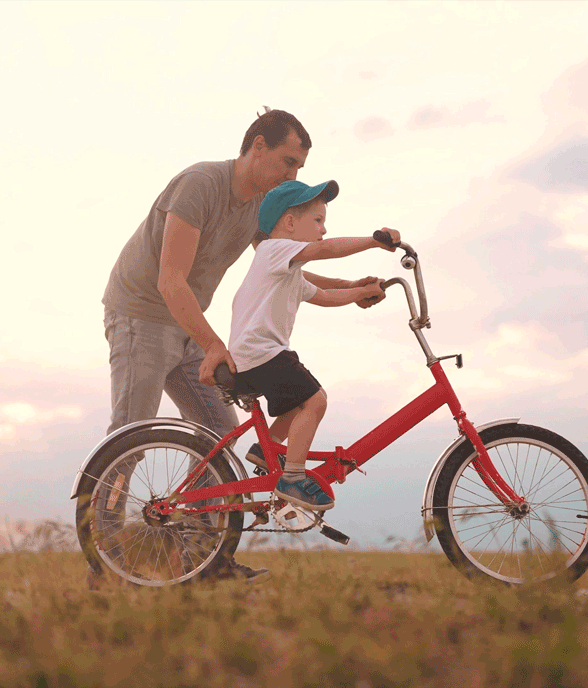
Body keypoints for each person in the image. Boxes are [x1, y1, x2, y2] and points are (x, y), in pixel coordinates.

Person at [101, 110, 386, 580]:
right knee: (127, 440)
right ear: (257, 147)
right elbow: (170, 281)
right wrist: (214, 346)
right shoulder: (200, 185)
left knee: (222, 443)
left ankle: (207, 561)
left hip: (189, 324)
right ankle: (104, 556)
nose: (293, 175)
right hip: (141, 316)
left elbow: (287, 265)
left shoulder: (259, 208)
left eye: (299, 167)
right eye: (288, 162)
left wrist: (351, 286)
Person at [228, 179, 399, 510]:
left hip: (258, 354)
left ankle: (267, 449)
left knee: (296, 402)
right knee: (315, 400)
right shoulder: (273, 249)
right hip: (259, 353)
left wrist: (357, 292)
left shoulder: (286, 268)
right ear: (290, 223)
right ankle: (292, 478)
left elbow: (323, 294)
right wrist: (373, 241)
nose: (323, 229)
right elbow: (324, 250)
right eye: (317, 221)